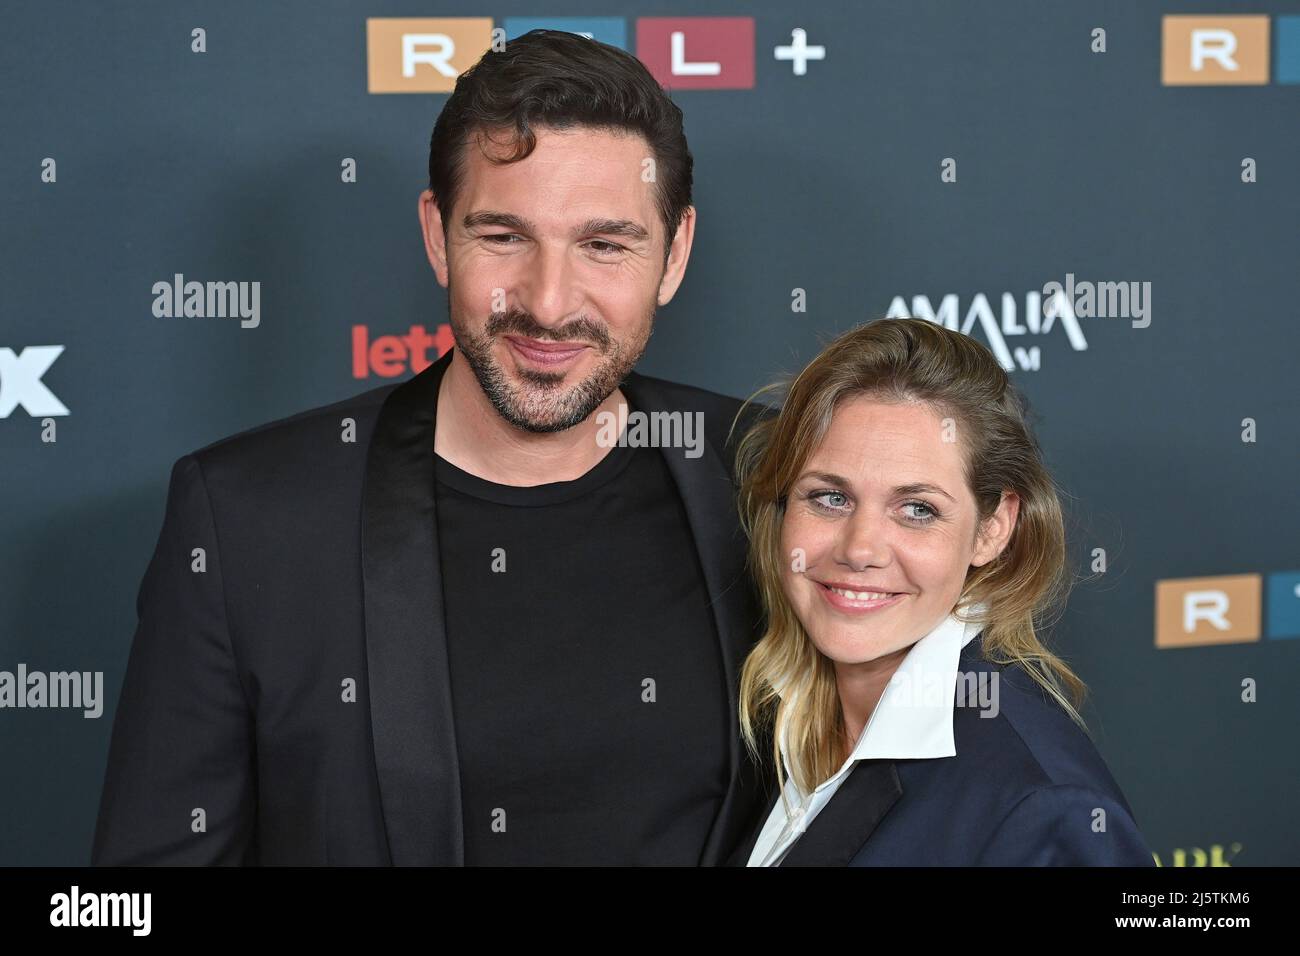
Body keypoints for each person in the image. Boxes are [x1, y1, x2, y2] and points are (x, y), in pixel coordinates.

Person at [92, 29, 771, 866]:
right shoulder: (246, 520)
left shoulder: (771, 480)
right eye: (503, 236)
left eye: (604, 244)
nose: (549, 304)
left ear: (674, 255)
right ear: (434, 233)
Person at [726, 317, 1155, 866]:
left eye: (917, 509)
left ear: (992, 528)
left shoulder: (1043, 808)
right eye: (830, 497)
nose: (860, 550)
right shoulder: (783, 727)